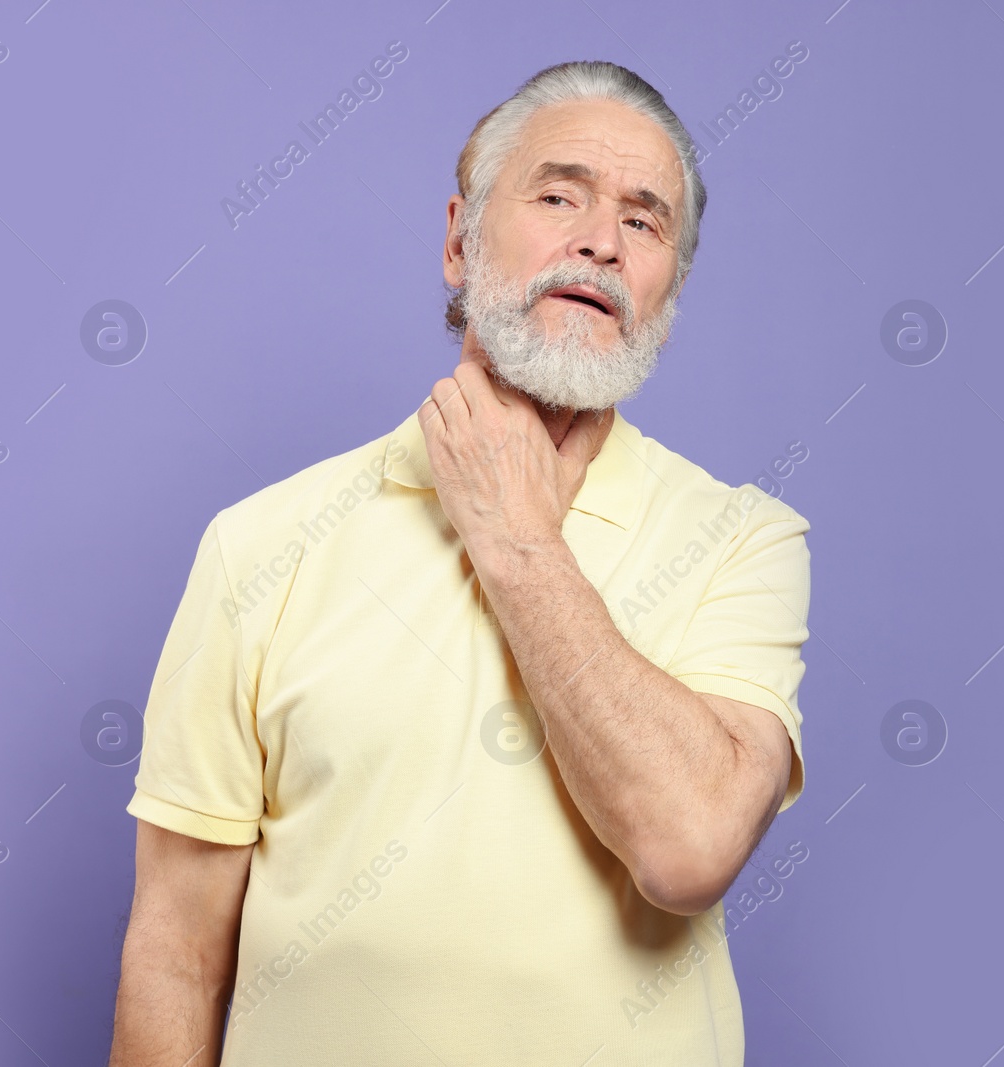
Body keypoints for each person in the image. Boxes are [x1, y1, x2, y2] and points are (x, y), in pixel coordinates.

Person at [108, 60, 812, 1066]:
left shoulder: (742, 539)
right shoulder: (259, 545)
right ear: (457, 238)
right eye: (558, 194)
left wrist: (516, 538)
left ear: (668, 291)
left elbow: (689, 848)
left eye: (645, 221)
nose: (601, 241)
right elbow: (175, 954)